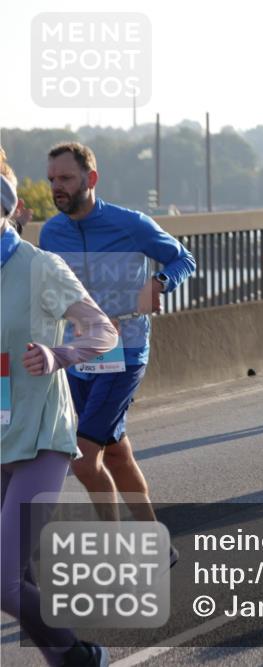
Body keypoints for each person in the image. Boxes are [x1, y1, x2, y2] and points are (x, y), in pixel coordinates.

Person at [39, 143, 195, 546]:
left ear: (91, 179)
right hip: (76, 357)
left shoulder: (132, 224)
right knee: (117, 454)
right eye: (52, 179)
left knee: (84, 458)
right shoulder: (52, 232)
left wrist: (158, 282)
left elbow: (184, 260)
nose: (57, 187)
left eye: (66, 178)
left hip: (123, 354)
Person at [2, 173, 119, 666]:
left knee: (2, 579)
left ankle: (78, 654)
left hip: (42, 435)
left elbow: (103, 331)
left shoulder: (39, 267)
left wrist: (59, 353)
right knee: (19, 578)